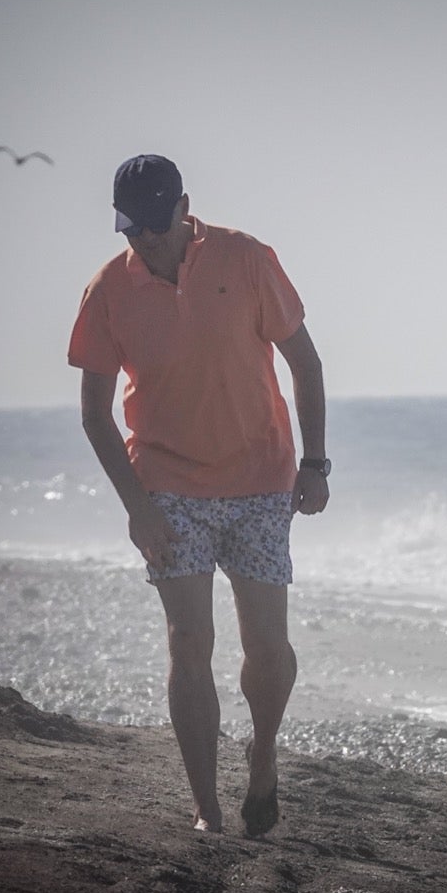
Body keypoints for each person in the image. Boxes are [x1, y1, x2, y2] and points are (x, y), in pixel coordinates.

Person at [67, 155, 330, 837]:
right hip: (167, 487)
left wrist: (316, 463)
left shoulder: (246, 259)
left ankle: (263, 754)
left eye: (158, 223)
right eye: (134, 227)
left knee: (267, 647)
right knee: (189, 639)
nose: (147, 239)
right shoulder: (107, 290)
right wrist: (137, 505)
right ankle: (208, 809)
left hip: (261, 480)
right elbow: (96, 413)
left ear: (184, 207)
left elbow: (305, 362)